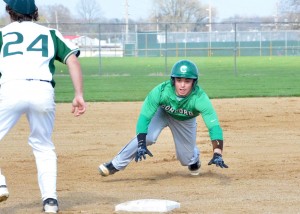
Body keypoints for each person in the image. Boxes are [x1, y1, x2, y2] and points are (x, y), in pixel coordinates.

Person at [0, 0, 86, 213]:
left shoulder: (2, 33)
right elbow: (73, 61)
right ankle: (50, 201)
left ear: (9, 11)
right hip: (43, 91)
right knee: (43, 145)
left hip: (11, 88)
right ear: (35, 13)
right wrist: (79, 95)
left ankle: (0, 182)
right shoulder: (50, 33)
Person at [98, 59, 228, 178]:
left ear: (194, 82)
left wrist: (217, 153)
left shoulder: (199, 98)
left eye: (187, 81)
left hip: (185, 121)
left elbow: (214, 126)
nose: (182, 85)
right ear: (173, 80)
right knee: (147, 137)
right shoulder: (161, 91)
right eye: (179, 80)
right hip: (162, 112)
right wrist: (142, 144)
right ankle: (115, 165)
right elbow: (144, 117)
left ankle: (194, 158)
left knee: (186, 159)